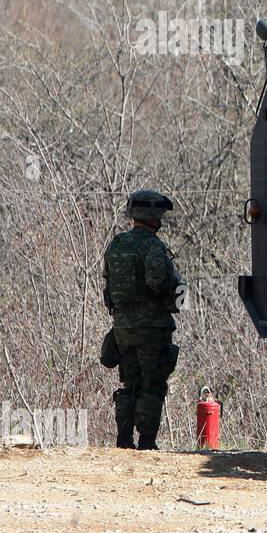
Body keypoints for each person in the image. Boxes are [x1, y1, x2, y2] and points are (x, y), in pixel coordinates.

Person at [102, 189, 183, 450]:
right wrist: (177, 286)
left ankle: (123, 439)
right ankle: (147, 442)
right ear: (153, 216)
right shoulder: (153, 246)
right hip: (151, 327)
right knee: (152, 383)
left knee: (129, 382)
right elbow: (158, 283)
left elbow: (108, 284)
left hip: (122, 328)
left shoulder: (116, 244)